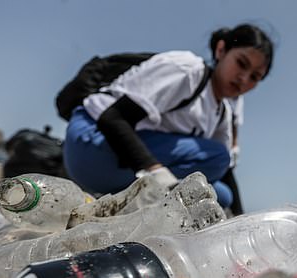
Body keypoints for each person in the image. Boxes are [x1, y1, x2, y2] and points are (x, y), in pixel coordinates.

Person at [63, 24, 274, 208]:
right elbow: (112, 118)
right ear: (221, 50)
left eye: (255, 77)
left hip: (122, 161)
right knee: (217, 155)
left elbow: (226, 172)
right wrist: (156, 172)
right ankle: (135, 207)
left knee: (220, 195)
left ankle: (135, 202)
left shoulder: (222, 113)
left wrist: (241, 221)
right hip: (91, 144)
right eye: (241, 63)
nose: (244, 78)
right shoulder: (187, 70)